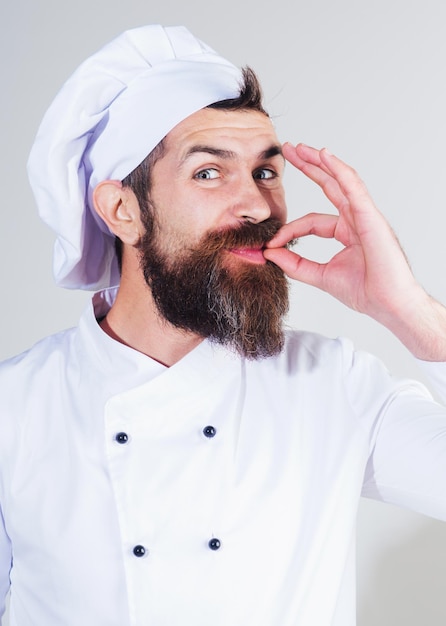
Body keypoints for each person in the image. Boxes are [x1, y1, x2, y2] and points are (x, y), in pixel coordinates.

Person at [0, 23, 445, 626]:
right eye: (209, 173)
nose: (259, 207)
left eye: (266, 171)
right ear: (122, 210)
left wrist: (408, 309)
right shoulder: (16, 406)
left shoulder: (333, 385)